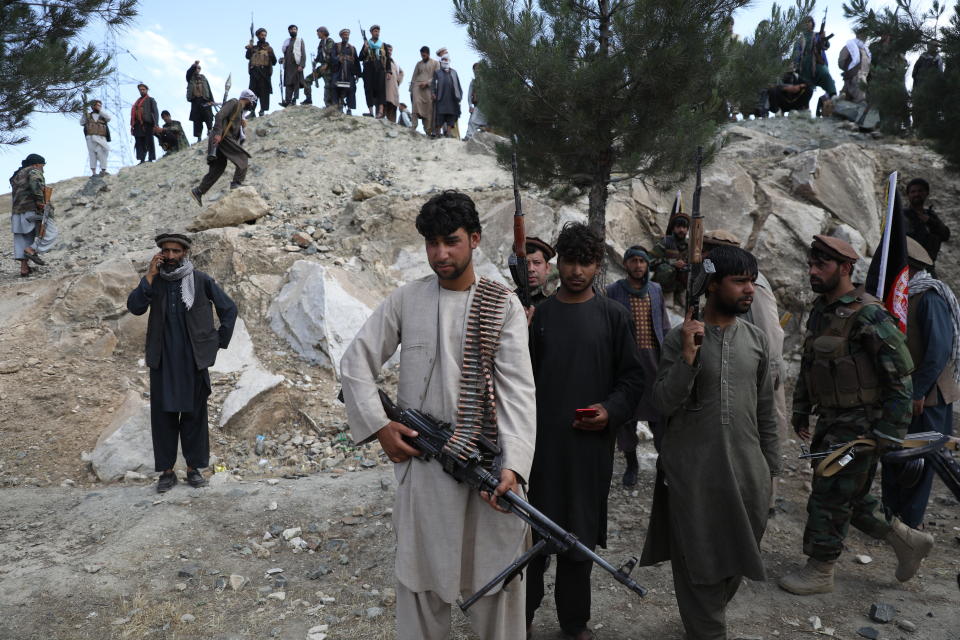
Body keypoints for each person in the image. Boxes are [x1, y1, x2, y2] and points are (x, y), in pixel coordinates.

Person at [340, 190, 536, 639]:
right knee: (419, 585)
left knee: (496, 584)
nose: (441, 253)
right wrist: (380, 426)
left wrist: (514, 466)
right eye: (432, 243)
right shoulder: (407, 299)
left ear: (475, 239)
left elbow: (518, 394)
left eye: (451, 241)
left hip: (485, 468)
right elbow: (356, 362)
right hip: (425, 472)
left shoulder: (500, 304)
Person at [779, 235, 933, 595]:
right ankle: (909, 542)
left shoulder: (869, 313)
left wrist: (888, 432)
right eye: (811, 265)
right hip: (831, 421)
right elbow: (810, 363)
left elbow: (899, 376)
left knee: (829, 495)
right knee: (851, 495)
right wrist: (801, 408)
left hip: (862, 424)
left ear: (846, 268)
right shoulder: (822, 310)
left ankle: (821, 568)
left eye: (822, 266)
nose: (813, 272)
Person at [640, 245, 779, 640]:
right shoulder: (679, 338)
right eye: (740, 281)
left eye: (752, 281)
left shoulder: (755, 341)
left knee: (737, 554)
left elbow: (766, 411)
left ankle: (705, 621)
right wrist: (688, 356)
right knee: (697, 556)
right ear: (714, 285)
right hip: (693, 471)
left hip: (748, 471)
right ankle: (707, 630)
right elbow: (663, 402)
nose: (749, 289)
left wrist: (771, 470)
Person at [526, 223, 645, 640]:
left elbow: (632, 380)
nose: (577, 271)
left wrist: (608, 411)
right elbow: (517, 380)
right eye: (571, 261)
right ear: (559, 262)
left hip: (589, 449)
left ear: (598, 265)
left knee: (578, 538)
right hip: (539, 450)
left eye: (587, 262)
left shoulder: (613, 315)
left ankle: (574, 624)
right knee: (533, 537)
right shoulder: (538, 316)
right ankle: (519, 620)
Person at [126, 231, 237, 493]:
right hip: (163, 360)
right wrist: (150, 276)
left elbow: (228, 309)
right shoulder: (155, 283)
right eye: (167, 251)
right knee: (163, 418)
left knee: (193, 415)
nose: (172, 256)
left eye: (177, 251)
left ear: (185, 253)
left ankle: (193, 469)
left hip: (192, 361)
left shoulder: (200, 280)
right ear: (160, 253)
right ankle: (166, 472)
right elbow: (135, 307)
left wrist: (218, 341)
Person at [703, 229, 787, 512]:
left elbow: (768, 332)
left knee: (767, 425)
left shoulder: (752, 285)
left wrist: (771, 374)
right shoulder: (711, 282)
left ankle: (767, 496)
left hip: (760, 368)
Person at [881, 238, 960, 528]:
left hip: (928, 398)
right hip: (904, 393)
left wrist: (918, 391)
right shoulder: (902, 296)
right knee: (895, 451)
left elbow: (938, 350)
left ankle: (910, 522)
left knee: (923, 457)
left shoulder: (929, 297)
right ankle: (891, 515)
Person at [605, 246, 670, 479]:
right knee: (626, 416)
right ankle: (632, 464)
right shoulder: (613, 291)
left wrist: (670, 354)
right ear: (626, 264)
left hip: (654, 360)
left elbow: (663, 324)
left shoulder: (655, 289)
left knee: (660, 414)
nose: (638, 266)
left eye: (642, 261)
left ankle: (663, 463)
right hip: (627, 361)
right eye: (633, 261)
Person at [190, 90, 257, 206]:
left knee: (219, 167)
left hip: (224, 138)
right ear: (248, 99)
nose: (252, 103)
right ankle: (236, 184)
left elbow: (234, 128)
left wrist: (241, 124)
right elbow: (219, 115)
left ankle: (199, 191)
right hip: (223, 137)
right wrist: (218, 133)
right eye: (252, 100)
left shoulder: (240, 111)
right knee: (243, 158)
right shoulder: (234, 102)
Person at [9, 154, 57, 277]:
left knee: (22, 239)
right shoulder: (33, 171)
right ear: (36, 164)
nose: (43, 169)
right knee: (51, 232)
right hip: (32, 209)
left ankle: (24, 269)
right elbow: (36, 184)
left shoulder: (16, 175)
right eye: (42, 166)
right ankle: (32, 249)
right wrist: (41, 202)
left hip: (17, 212)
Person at [904, 178, 950, 267]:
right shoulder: (902, 215)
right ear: (908, 195)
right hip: (907, 265)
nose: (916, 194)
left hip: (927, 266)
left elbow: (945, 235)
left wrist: (929, 221)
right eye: (913, 192)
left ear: (926, 193)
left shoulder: (931, 216)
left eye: (920, 191)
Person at [792, 16, 837, 105]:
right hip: (804, 64)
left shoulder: (817, 35)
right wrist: (795, 65)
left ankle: (833, 96)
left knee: (825, 74)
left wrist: (823, 38)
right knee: (805, 87)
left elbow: (826, 46)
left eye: (809, 22)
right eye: (805, 22)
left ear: (812, 24)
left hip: (817, 61)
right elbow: (796, 53)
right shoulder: (799, 39)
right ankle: (803, 107)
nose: (807, 24)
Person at [650, 211, 690, 305]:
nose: (681, 230)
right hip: (665, 280)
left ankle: (681, 292)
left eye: (684, 227)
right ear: (673, 228)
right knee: (666, 269)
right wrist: (671, 262)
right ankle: (667, 293)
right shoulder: (665, 242)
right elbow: (650, 262)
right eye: (678, 227)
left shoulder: (690, 245)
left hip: (681, 281)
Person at [245, 27, 277, 116]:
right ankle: (252, 111)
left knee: (264, 92)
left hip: (264, 73)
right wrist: (249, 47)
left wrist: (270, 54)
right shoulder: (254, 48)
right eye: (262, 35)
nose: (263, 37)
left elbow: (274, 62)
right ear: (258, 36)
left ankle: (262, 110)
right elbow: (247, 56)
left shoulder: (269, 48)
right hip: (254, 73)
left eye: (265, 35)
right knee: (253, 92)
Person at [409, 46, 440, 135]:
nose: (423, 56)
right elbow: (414, 76)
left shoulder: (435, 63)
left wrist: (427, 83)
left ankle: (428, 130)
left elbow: (437, 76)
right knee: (415, 104)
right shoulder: (418, 64)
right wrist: (411, 89)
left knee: (428, 109)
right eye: (422, 55)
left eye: (424, 55)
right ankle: (413, 126)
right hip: (417, 87)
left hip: (429, 88)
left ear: (428, 54)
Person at [360, 25, 387, 118]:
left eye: (378, 31)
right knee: (368, 89)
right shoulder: (367, 43)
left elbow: (388, 59)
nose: (377, 33)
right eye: (375, 31)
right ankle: (371, 111)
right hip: (368, 68)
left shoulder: (383, 45)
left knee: (381, 90)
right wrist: (365, 50)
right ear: (371, 32)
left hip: (379, 69)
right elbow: (360, 58)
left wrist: (389, 72)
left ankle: (380, 111)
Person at [331, 29, 360, 115]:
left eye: (347, 35)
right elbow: (332, 57)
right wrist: (338, 59)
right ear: (341, 36)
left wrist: (357, 74)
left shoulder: (352, 48)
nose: (346, 36)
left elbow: (356, 62)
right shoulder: (336, 46)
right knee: (335, 87)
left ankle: (349, 108)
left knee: (351, 89)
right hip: (338, 71)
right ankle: (337, 106)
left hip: (350, 72)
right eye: (344, 35)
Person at [303, 27, 335, 107]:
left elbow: (331, 54)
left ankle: (329, 105)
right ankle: (308, 99)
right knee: (307, 79)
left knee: (328, 86)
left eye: (318, 32)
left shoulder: (329, 41)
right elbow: (319, 56)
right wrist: (315, 61)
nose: (317, 34)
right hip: (321, 67)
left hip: (328, 68)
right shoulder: (321, 43)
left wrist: (327, 64)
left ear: (323, 32)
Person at [432, 56, 462, 139]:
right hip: (441, 97)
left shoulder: (454, 72)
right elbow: (433, 84)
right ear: (441, 62)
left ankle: (448, 134)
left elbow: (458, 85)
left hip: (452, 98)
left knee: (451, 116)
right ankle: (438, 134)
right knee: (440, 116)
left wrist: (459, 96)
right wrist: (433, 93)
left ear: (449, 61)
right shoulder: (437, 72)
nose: (445, 61)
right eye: (443, 60)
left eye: (446, 60)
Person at [839, 28, 871, 103]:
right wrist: (850, 69)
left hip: (864, 77)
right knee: (860, 100)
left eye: (865, 35)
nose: (864, 37)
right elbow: (841, 62)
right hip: (854, 77)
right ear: (857, 35)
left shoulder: (866, 50)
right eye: (863, 34)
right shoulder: (849, 46)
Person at [80, 99, 111, 176]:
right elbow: (82, 122)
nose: (99, 107)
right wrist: (84, 113)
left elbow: (109, 118)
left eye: (100, 106)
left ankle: (103, 170)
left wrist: (100, 110)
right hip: (90, 137)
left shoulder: (103, 115)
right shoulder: (88, 115)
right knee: (92, 154)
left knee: (103, 152)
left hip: (101, 137)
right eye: (97, 105)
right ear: (93, 106)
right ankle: (93, 172)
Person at [186, 61, 214, 142]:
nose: (197, 69)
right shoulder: (190, 78)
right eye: (196, 68)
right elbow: (188, 73)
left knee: (208, 116)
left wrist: (212, 100)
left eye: (199, 68)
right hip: (195, 101)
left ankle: (210, 131)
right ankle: (199, 137)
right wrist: (194, 66)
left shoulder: (204, 78)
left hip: (205, 99)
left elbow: (209, 89)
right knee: (197, 120)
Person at [130, 83, 158, 164]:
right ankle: (142, 159)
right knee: (139, 142)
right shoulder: (137, 102)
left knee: (149, 141)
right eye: (140, 90)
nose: (142, 91)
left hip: (148, 123)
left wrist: (155, 124)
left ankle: (151, 158)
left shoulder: (151, 100)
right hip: (137, 124)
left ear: (146, 90)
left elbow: (155, 112)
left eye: (143, 89)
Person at [280, 25, 306, 107]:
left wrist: (302, 65)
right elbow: (285, 54)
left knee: (296, 83)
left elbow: (303, 54)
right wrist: (282, 60)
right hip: (288, 66)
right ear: (289, 31)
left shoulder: (300, 40)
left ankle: (294, 100)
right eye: (291, 30)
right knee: (288, 83)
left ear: (297, 31)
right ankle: (288, 101)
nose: (293, 31)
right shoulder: (286, 42)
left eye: (294, 29)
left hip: (296, 65)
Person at [465, 63, 489, 139]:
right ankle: (469, 137)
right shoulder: (473, 82)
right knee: (472, 121)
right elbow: (469, 96)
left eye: (478, 69)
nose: (477, 71)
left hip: (488, 106)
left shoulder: (488, 81)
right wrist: (470, 105)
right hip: (477, 106)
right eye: (475, 70)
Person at [383, 44, 404, 123]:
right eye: (388, 50)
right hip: (384, 87)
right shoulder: (382, 59)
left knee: (393, 107)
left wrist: (398, 81)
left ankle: (392, 124)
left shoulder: (395, 63)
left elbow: (402, 72)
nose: (389, 52)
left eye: (391, 50)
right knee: (383, 105)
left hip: (394, 88)